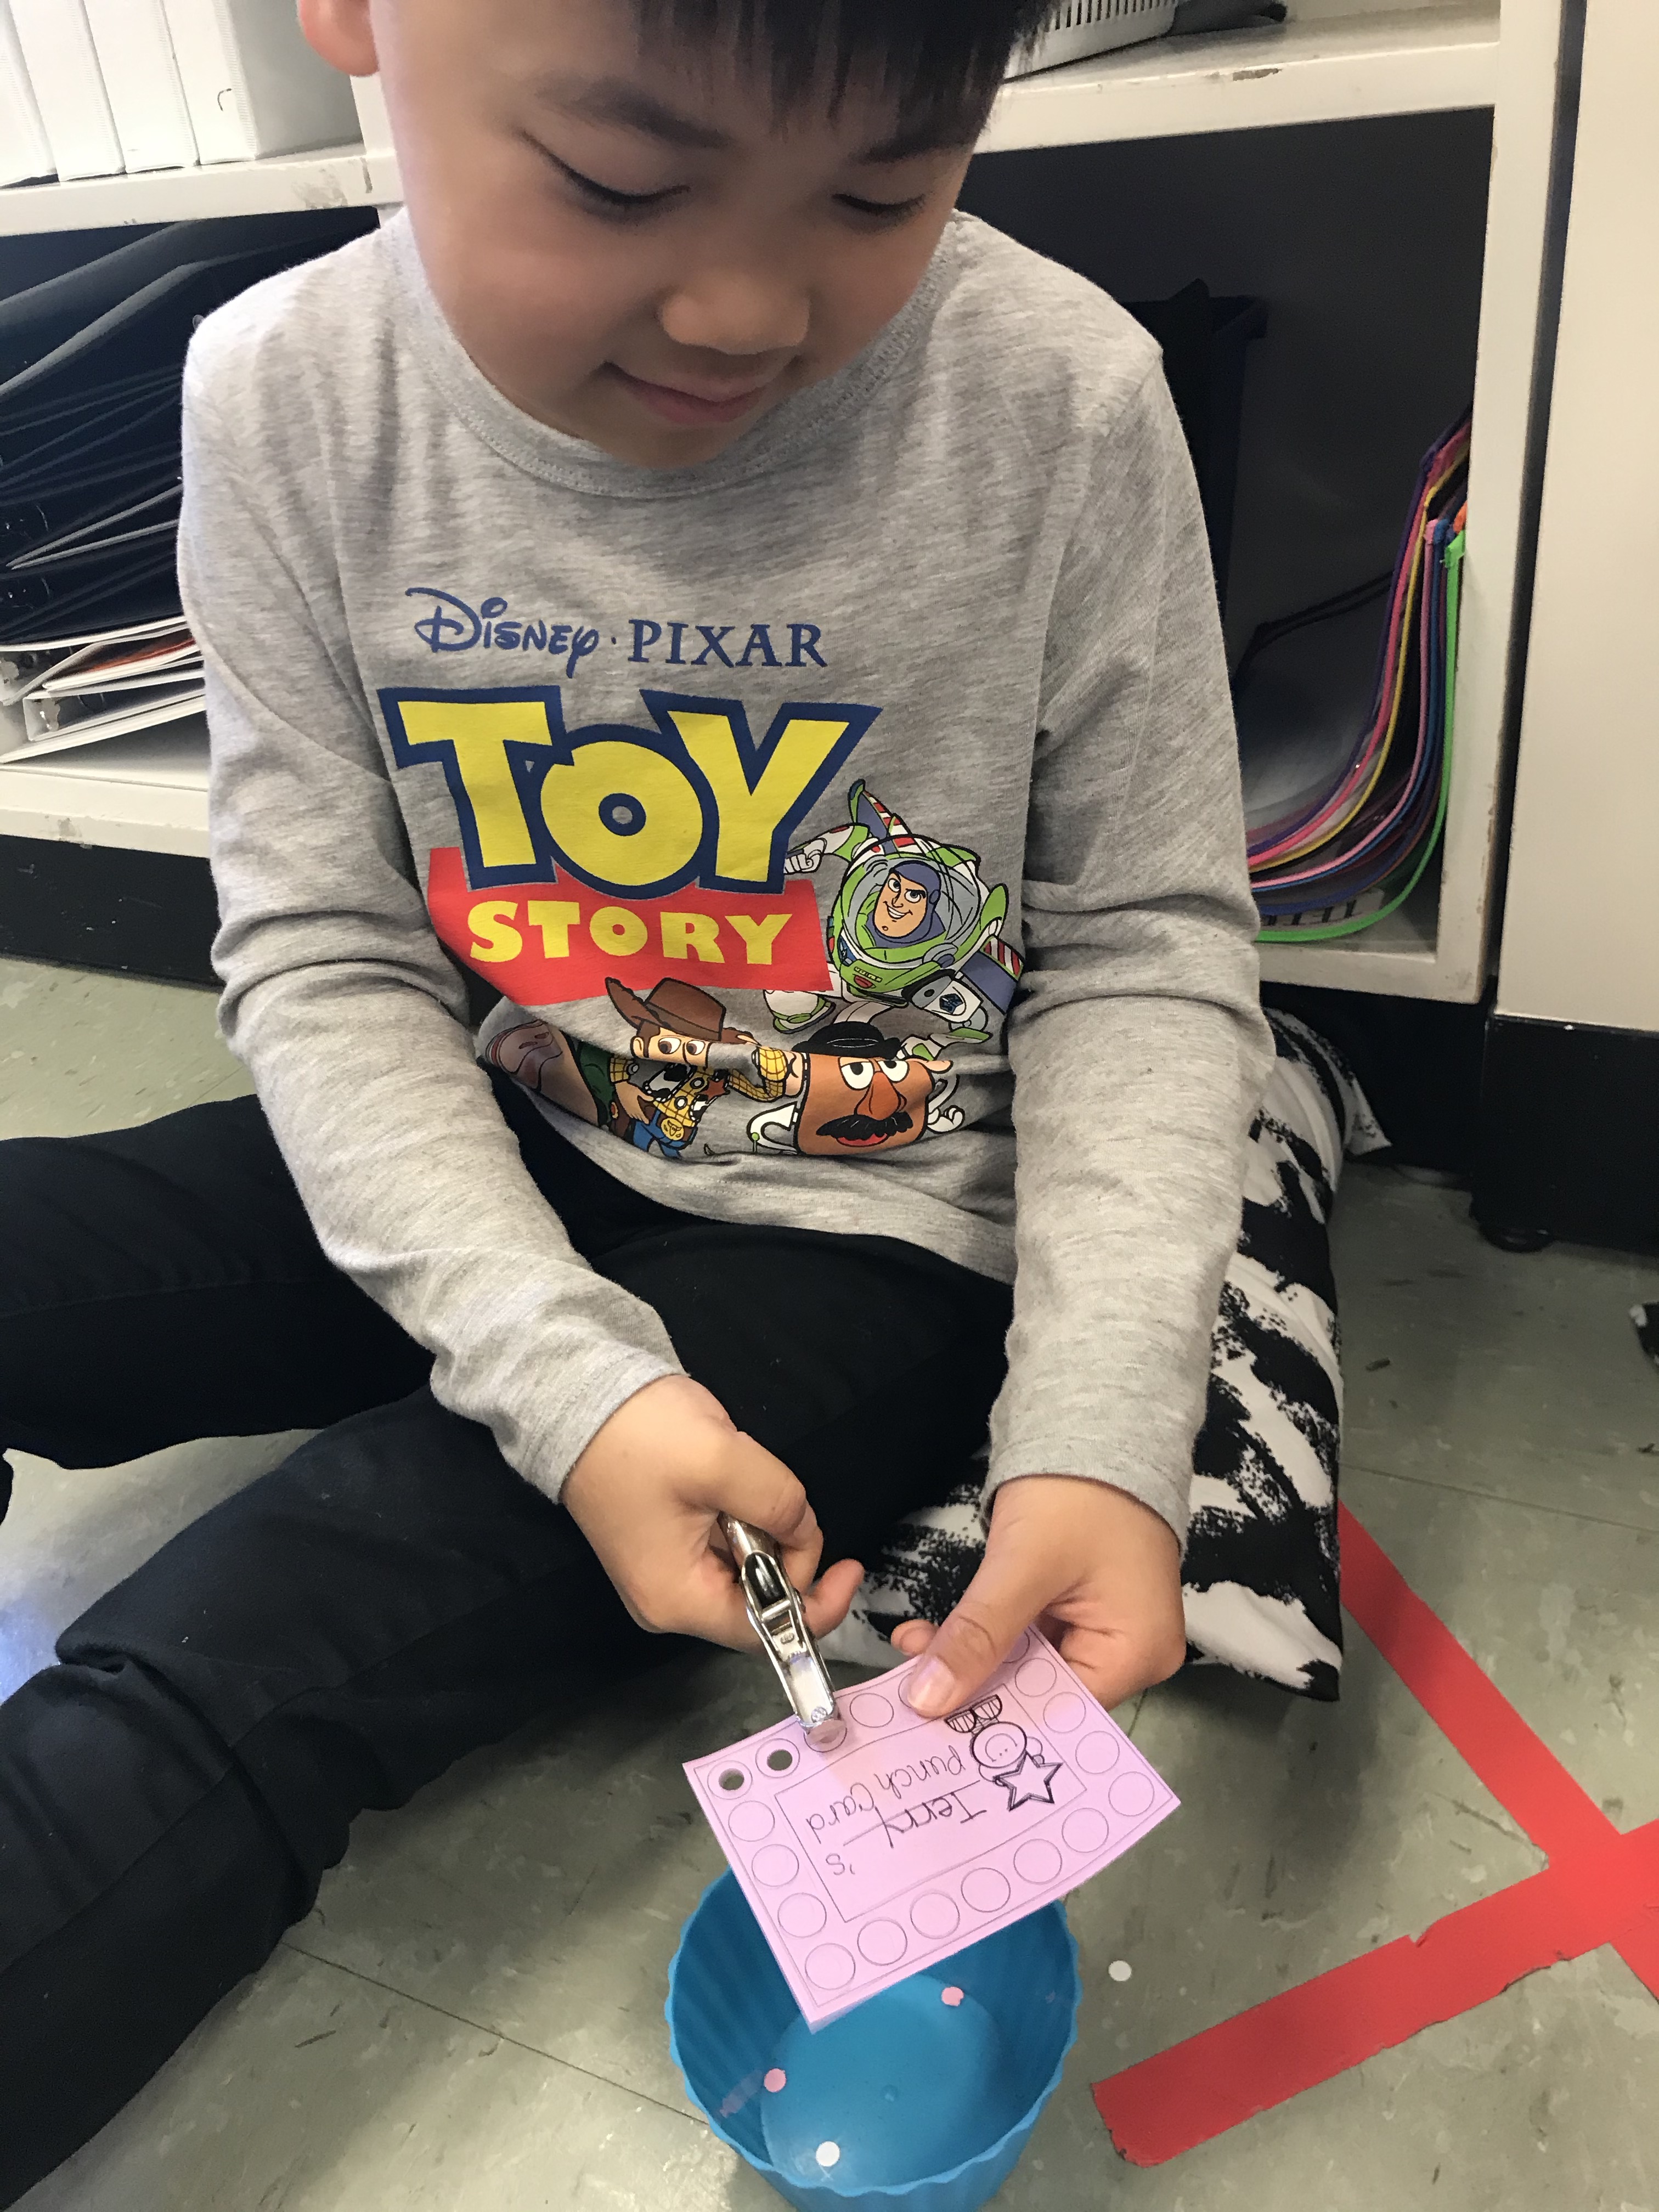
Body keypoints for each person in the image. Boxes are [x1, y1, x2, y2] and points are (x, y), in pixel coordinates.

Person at [0, 0, 1274, 2196]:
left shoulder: (1061, 397)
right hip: (506, 1121)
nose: (747, 309)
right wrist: (561, 1373)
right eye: (618, 181)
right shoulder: (282, 391)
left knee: (247, 1649)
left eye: (882, 189)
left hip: (874, 1236)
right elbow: (327, 956)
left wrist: (1099, 1436)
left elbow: (1145, 945)